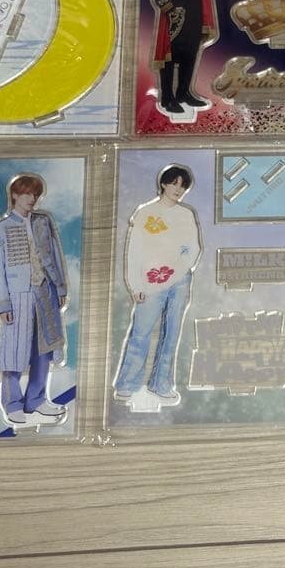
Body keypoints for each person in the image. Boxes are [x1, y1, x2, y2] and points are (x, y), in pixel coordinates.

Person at [114, 165, 202, 406]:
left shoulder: (186, 214)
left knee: (171, 335)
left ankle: (161, 384)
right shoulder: (145, 213)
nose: (178, 189)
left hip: (180, 281)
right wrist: (135, 284)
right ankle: (127, 384)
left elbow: (193, 247)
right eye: (174, 183)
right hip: (149, 282)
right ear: (163, 183)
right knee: (140, 334)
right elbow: (134, 251)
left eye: (183, 186)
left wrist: (179, 269)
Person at [0, 175, 68, 426]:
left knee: (45, 347)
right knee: (13, 350)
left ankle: (36, 400)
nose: (32, 199)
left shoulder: (44, 222)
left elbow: (55, 255)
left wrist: (60, 286)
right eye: (26, 194)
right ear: (14, 195)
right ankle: (12, 404)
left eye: (35, 194)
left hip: (46, 290)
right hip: (17, 295)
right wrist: (3, 304)